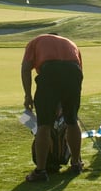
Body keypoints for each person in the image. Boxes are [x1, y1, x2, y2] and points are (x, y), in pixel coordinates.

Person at [21, 33, 84, 183]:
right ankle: (76, 163)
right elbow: (79, 72)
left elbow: (25, 69)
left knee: (44, 125)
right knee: (72, 120)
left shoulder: (35, 41)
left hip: (50, 72)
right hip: (73, 73)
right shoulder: (71, 42)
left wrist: (28, 96)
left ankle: (40, 171)